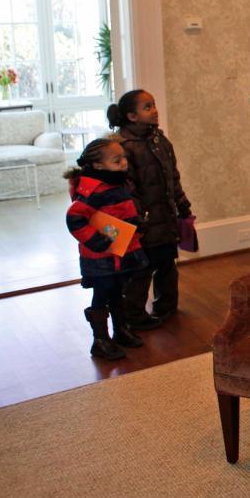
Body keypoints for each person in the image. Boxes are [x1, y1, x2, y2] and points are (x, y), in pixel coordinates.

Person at [108, 89, 192, 329]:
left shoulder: (159, 140)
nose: (154, 110)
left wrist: (183, 205)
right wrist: (137, 218)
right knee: (141, 268)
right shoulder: (123, 147)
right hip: (142, 222)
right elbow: (127, 188)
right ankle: (133, 316)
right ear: (132, 116)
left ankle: (167, 307)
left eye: (154, 105)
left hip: (165, 217)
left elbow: (172, 178)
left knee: (167, 262)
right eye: (147, 107)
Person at [65, 137, 149, 360]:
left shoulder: (118, 183)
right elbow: (75, 218)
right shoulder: (93, 190)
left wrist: (136, 223)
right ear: (98, 165)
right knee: (101, 295)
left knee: (118, 293)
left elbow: (121, 213)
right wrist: (95, 240)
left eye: (123, 158)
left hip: (121, 253)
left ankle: (120, 330)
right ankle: (100, 340)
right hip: (101, 257)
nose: (123, 163)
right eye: (117, 160)